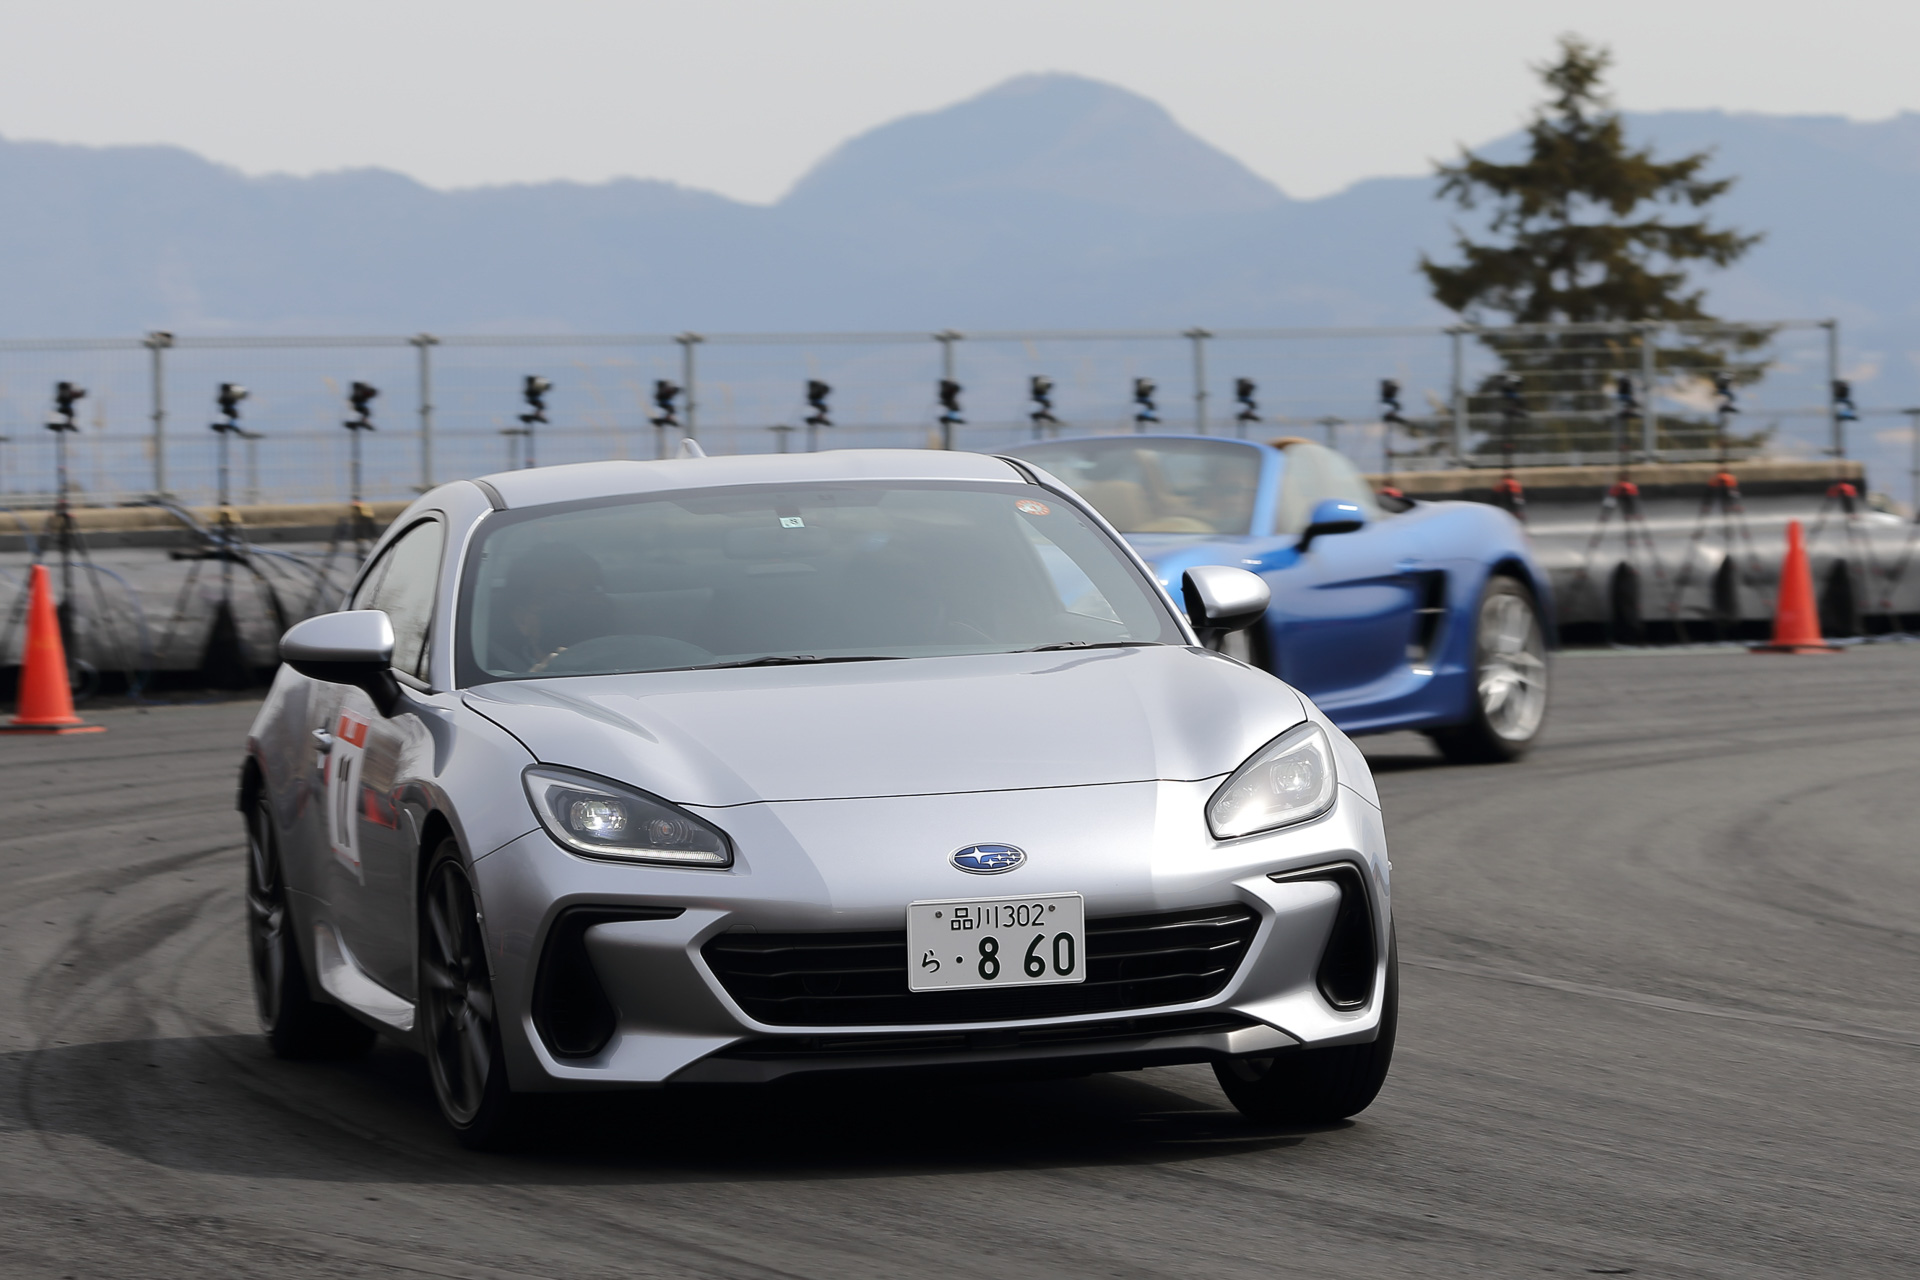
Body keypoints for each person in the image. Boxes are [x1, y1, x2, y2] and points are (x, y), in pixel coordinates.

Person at [490, 541, 615, 673]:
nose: (576, 604)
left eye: (589, 591)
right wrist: (534, 679)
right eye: (556, 596)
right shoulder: (492, 677)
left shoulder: (631, 661)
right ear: (521, 620)